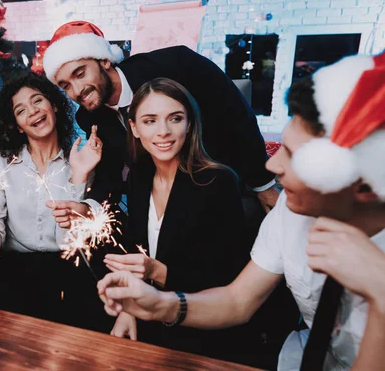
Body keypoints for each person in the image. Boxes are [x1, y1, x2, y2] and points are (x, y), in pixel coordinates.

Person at [97, 52, 385, 370]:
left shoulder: (217, 182)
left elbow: (223, 275)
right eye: (150, 120)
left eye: (292, 154)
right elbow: (238, 300)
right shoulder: (286, 218)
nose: (272, 165)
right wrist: (156, 305)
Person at [42, 20, 279, 221]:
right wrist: (89, 207)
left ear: (104, 60)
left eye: (80, 73)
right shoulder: (89, 117)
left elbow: (235, 117)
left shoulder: (177, 65)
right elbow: (110, 172)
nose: (77, 90)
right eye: (65, 86)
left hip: (217, 182)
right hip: (157, 201)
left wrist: (263, 185)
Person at [102, 77, 255, 362]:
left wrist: (158, 272)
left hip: (205, 333)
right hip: (150, 323)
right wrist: (127, 310)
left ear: (189, 124)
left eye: (175, 118)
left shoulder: (218, 182)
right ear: (134, 128)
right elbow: (135, 250)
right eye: (150, 121)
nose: (164, 132)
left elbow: (231, 279)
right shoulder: (138, 177)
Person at [0, 72, 106, 328]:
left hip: (68, 269)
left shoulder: (82, 158)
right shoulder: (1, 162)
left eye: (37, 101)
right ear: (17, 125)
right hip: (13, 271)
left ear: (54, 104)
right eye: (21, 110)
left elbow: (68, 241)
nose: (32, 112)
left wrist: (78, 175)